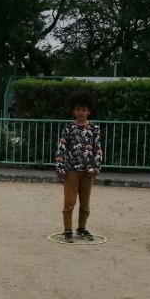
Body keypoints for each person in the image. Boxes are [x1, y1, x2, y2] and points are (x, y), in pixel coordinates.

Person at [54, 90, 103, 243]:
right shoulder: (68, 129)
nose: (80, 112)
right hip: (71, 171)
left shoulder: (94, 129)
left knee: (85, 202)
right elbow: (61, 149)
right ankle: (67, 229)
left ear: (89, 111)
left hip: (88, 172)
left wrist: (96, 167)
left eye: (83, 109)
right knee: (69, 201)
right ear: (73, 111)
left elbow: (98, 149)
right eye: (77, 109)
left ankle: (82, 228)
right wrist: (60, 168)